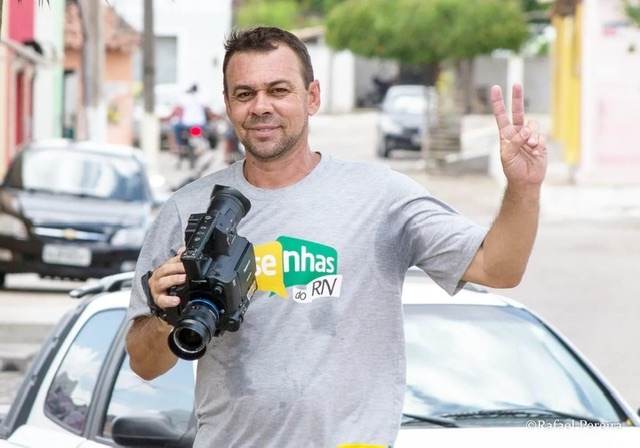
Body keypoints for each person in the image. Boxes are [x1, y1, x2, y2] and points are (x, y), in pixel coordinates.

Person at [125, 26, 547, 447]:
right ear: (228, 105)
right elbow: (143, 364)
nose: (261, 107)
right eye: (244, 93)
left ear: (312, 97)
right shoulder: (189, 209)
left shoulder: (379, 195)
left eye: (278, 90)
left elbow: (499, 267)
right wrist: (167, 320)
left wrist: (524, 188)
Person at [168, 84, 216, 153]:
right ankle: (210, 147)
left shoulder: (184, 97)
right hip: (200, 124)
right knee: (210, 131)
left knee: (175, 128)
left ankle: (180, 146)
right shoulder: (201, 97)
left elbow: (177, 110)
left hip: (186, 124)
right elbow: (208, 110)